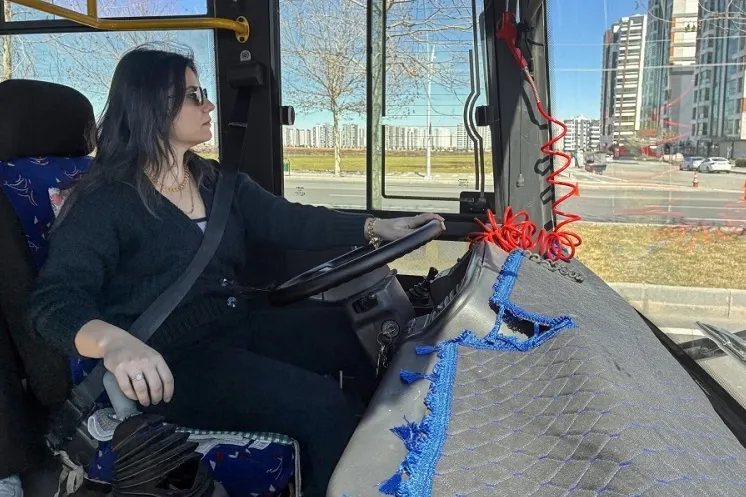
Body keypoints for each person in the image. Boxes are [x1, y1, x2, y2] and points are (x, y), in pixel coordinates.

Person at [28, 46, 444, 497]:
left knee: (359, 338)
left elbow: (289, 219)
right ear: (152, 106)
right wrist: (115, 343)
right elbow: (54, 302)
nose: (208, 105)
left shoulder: (213, 181)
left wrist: (374, 226)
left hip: (234, 325)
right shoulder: (105, 200)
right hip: (170, 362)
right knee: (323, 406)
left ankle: (394, 464)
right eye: (194, 95)